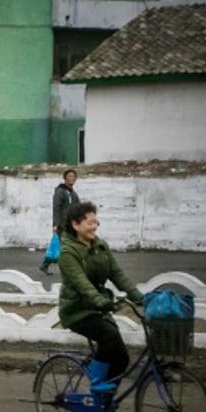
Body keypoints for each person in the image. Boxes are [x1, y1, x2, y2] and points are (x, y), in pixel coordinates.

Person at [58, 201, 143, 398]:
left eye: (96, 222)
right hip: (77, 310)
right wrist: (99, 300)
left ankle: (104, 401)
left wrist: (139, 297)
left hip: (98, 308)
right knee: (109, 337)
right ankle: (96, 385)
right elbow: (81, 283)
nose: (94, 226)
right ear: (75, 225)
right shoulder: (67, 253)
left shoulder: (101, 246)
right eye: (90, 222)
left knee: (121, 358)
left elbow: (117, 275)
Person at [40, 168, 79, 275]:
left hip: (72, 224)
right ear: (65, 178)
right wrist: (55, 224)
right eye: (70, 176)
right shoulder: (60, 192)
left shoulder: (73, 194)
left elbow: (78, 208)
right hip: (62, 224)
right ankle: (63, 267)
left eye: (74, 176)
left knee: (66, 246)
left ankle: (45, 265)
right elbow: (56, 208)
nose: (72, 178)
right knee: (63, 246)